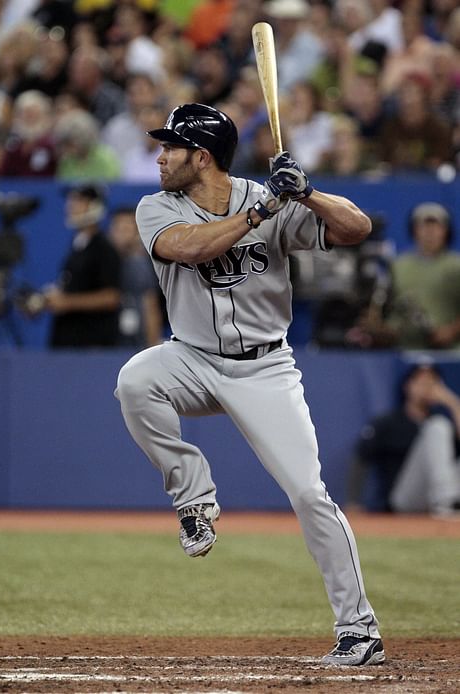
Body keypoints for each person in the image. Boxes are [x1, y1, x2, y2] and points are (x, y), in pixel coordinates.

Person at [114, 103, 384, 666]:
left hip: (266, 369)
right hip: (191, 357)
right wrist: (263, 210)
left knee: (310, 494)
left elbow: (357, 228)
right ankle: (194, 498)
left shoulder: (276, 200)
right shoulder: (155, 206)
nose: (160, 158)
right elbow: (191, 247)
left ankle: (359, 630)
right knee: (137, 380)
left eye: (171, 148)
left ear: (202, 156)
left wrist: (306, 192)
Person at [355, 363, 460, 516]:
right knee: (437, 427)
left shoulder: (443, 421)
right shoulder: (389, 422)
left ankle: (448, 503)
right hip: (405, 499)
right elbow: (361, 458)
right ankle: (446, 503)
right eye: (421, 382)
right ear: (408, 385)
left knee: (438, 426)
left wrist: (452, 402)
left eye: (432, 382)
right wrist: (353, 501)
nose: (427, 387)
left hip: (442, 494)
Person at [355, 202, 460, 350]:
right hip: (405, 352)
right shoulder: (398, 266)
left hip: (450, 354)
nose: (429, 232)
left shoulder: (455, 266)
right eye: (423, 226)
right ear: (414, 230)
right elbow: (391, 312)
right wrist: (379, 328)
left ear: (446, 231)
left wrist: (451, 331)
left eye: (436, 226)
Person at [45, 184, 121, 349]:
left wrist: (66, 302)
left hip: (90, 344)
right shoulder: (77, 244)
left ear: (96, 206)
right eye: (71, 200)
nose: (70, 205)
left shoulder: (104, 248)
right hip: (68, 340)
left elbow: (111, 297)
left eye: (79, 200)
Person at [107, 207, 164, 349]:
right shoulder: (109, 263)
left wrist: (152, 346)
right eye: (117, 228)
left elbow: (150, 304)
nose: (120, 234)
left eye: (126, 229)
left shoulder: (138, 264)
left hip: (137, 343)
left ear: (138, 233)